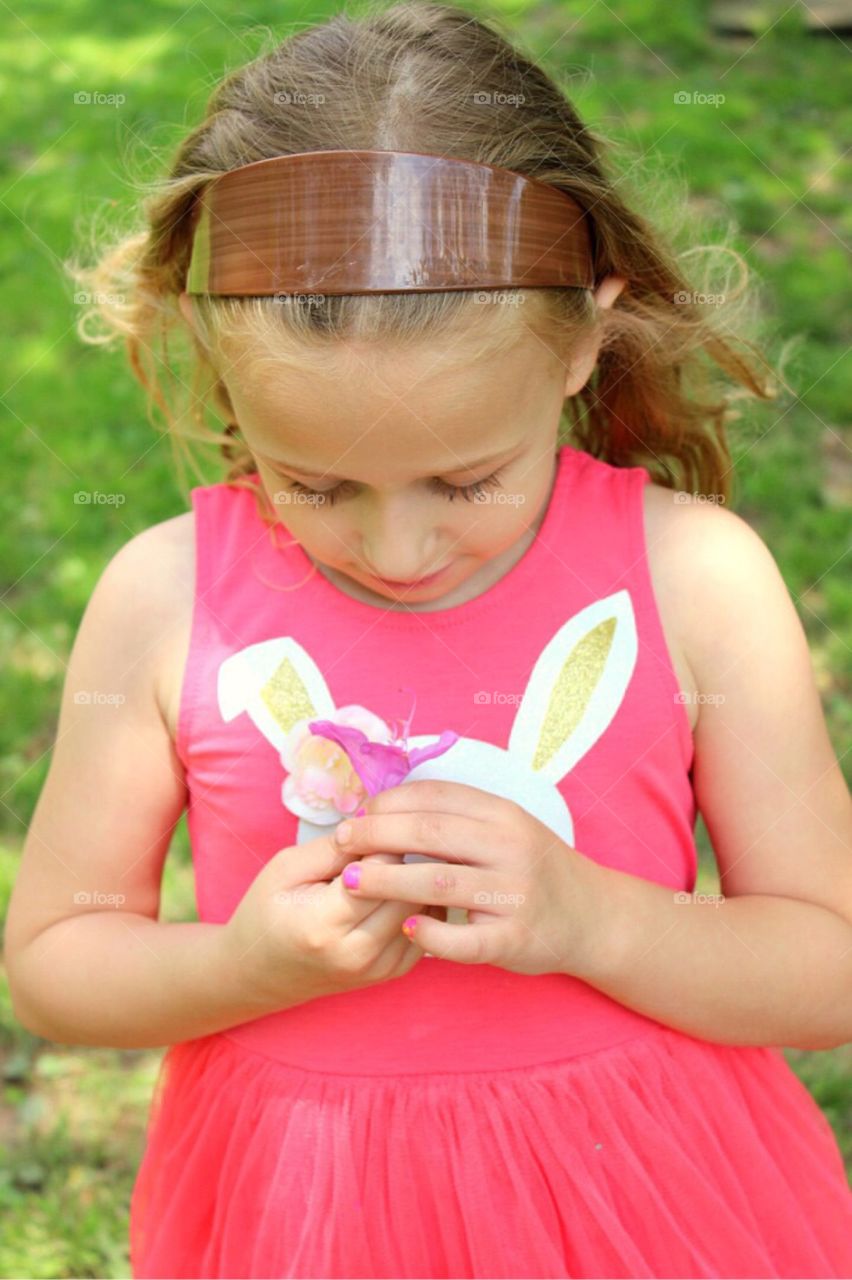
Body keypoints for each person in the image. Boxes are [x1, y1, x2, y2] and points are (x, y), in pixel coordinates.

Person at [6, 2, 852, 1276]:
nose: (396, 552)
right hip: (309, 1214)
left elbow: (830, 963)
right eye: (318, 483)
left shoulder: (694, 580)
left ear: (582, 339)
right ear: (219, 366)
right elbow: (59, 964)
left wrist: (593, 922)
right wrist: (243, 963)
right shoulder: (167, 601)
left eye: (465, 483)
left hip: (646, 1204)